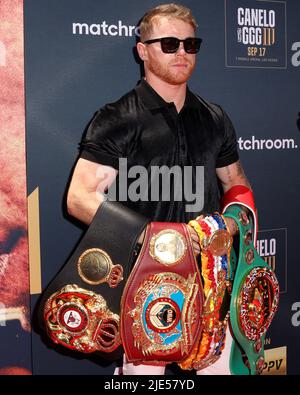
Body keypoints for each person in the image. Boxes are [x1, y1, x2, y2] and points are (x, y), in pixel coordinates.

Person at [66, 3, 254, 375]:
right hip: (141, 283)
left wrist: (231, 225)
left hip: (211, 281)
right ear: (143, 50)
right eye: (169, 43)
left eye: (190, 44)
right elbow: (80, 198)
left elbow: (236, 184)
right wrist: (156, 241)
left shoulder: (215, 117)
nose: (182, 52)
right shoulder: (117, 117)